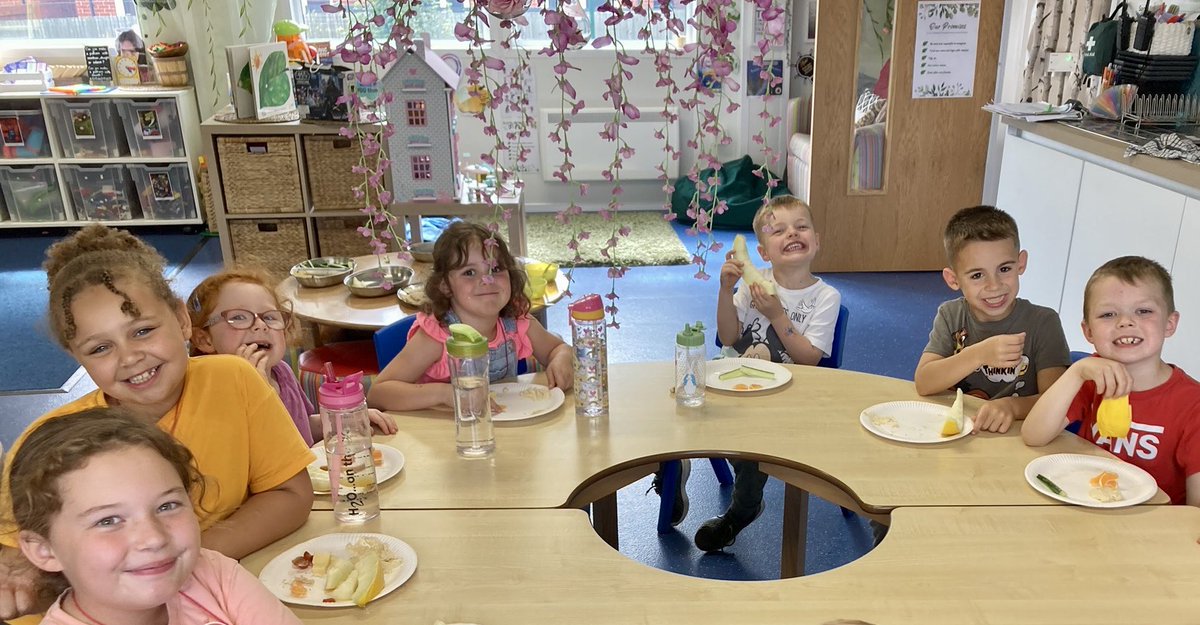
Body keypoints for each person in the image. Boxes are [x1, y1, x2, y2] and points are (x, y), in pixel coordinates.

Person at [0, 224, 314, 620]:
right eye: (100, 348)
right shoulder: (49, 447)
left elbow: (291, 495)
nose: (130, 357)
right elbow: (25, 575)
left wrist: (185, 559)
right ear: (77, 357)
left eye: (143, 331)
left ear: (183, 320)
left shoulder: (234, 379)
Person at [10, 408, 304, 625]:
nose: (153, 538)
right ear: (44, 550)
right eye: (108, 521)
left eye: (167, 506)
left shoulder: (212, 572)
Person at [692, 195, 841, 552]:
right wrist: (726, 291)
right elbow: (728, 337)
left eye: (801, 227)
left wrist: (776, 315)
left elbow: (809, 359)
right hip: (738, 388)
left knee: (751, 447)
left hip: (790, 400)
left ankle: (740, 512)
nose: (792, 233)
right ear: (763, 252)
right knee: (688, 415)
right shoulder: (750, 286)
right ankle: (673, 477)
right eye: (779, 230)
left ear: (816, 241)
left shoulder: (826, 297)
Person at [1022, 256, 1200, 506]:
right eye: (1108, 314)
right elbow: (1033, 435)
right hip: (1088, 509)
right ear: (1088, 332)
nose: (1125, 322)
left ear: (1169, 324)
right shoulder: (1090, 381)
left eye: (1144, 311)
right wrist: (1076, 372)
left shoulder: (1193, 404)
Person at [367, 221, 573, 412]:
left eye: (496, 268)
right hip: (447, 436)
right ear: (446, 286)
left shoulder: (517, 324)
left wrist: (561, 358)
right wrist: (445, 394)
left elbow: (559, 348)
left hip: (502, 428)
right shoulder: (436, 337)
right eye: (469, 272)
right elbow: (379, 393)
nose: (487, 279)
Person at [186, 269, 397, 445]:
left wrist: (343, 420)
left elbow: (302, 426)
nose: (260, 324)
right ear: (205, 340)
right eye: (239, 317)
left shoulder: (282, 373)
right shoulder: (215, 395)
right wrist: (255, 391)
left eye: (269, 316)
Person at [914, 205, 1071, 433]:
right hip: (960, 434)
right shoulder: (951, 315)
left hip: (1020, 437)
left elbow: (1057, 402)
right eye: (977, 275)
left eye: (1004, 269)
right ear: (953, 279)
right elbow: (924, 382)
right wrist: (978, 354)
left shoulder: (1043, 322)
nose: (994, 286)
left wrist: (1012, 407)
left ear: (1021, 264)